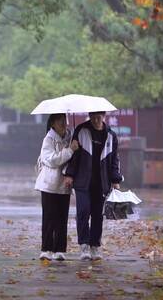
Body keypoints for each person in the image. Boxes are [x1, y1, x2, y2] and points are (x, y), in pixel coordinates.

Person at [63, 111, 122, 261]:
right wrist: (69, 174)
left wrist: (115, 180)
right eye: (93, 116)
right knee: (83, 211)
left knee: (97, 215)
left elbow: (114, 160)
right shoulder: (81, 130)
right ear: (90, 115)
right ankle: (84, 245)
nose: (96, 119)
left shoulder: (111, 136)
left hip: (102, 182)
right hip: (83, 180)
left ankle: (95, 245)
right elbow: (74, 157)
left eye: (99, 116)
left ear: (104, 116)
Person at [35, 113, 79, 261]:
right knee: (49, 218)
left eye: (64, 120)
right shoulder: (48, 139)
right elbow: (52, 160)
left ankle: (60, 249)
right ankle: (46, 249)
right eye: (60, 120)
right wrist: (70, 150)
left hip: (65, 184)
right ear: (52, 123)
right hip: (49, 184)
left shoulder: (71, 137)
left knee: (62, 217)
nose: (63, 123)